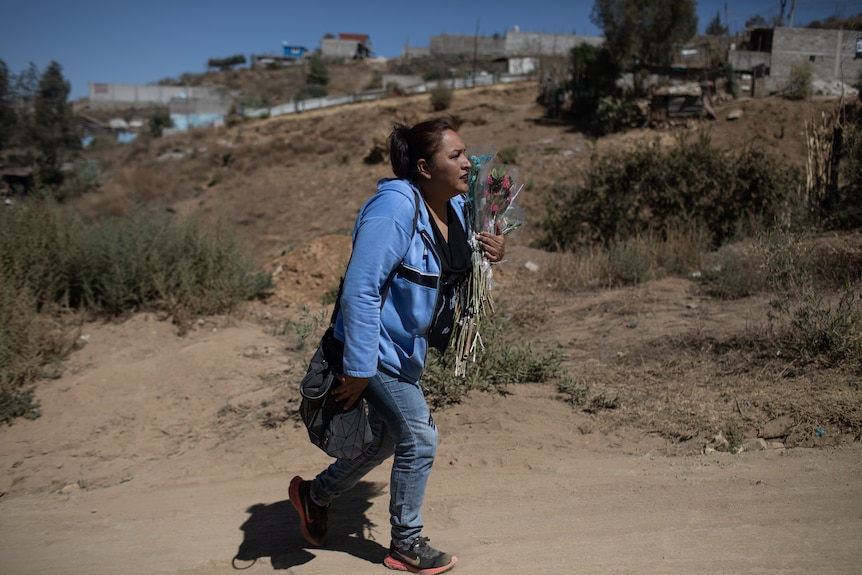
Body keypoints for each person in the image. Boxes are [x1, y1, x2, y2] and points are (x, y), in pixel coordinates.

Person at [289, 118, 505, 575]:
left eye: (466, 154)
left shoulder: (458, 207)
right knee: (420, 436)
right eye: (456, 156)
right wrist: (361, 367)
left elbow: (464, 259)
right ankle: (405, 543)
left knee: (389, 436)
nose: (469, 163)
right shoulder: (394, 207)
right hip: (374, 350)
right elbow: (361, 289)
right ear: (424, 167)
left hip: (406, 350)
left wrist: (495, 246)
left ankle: (315, 496)